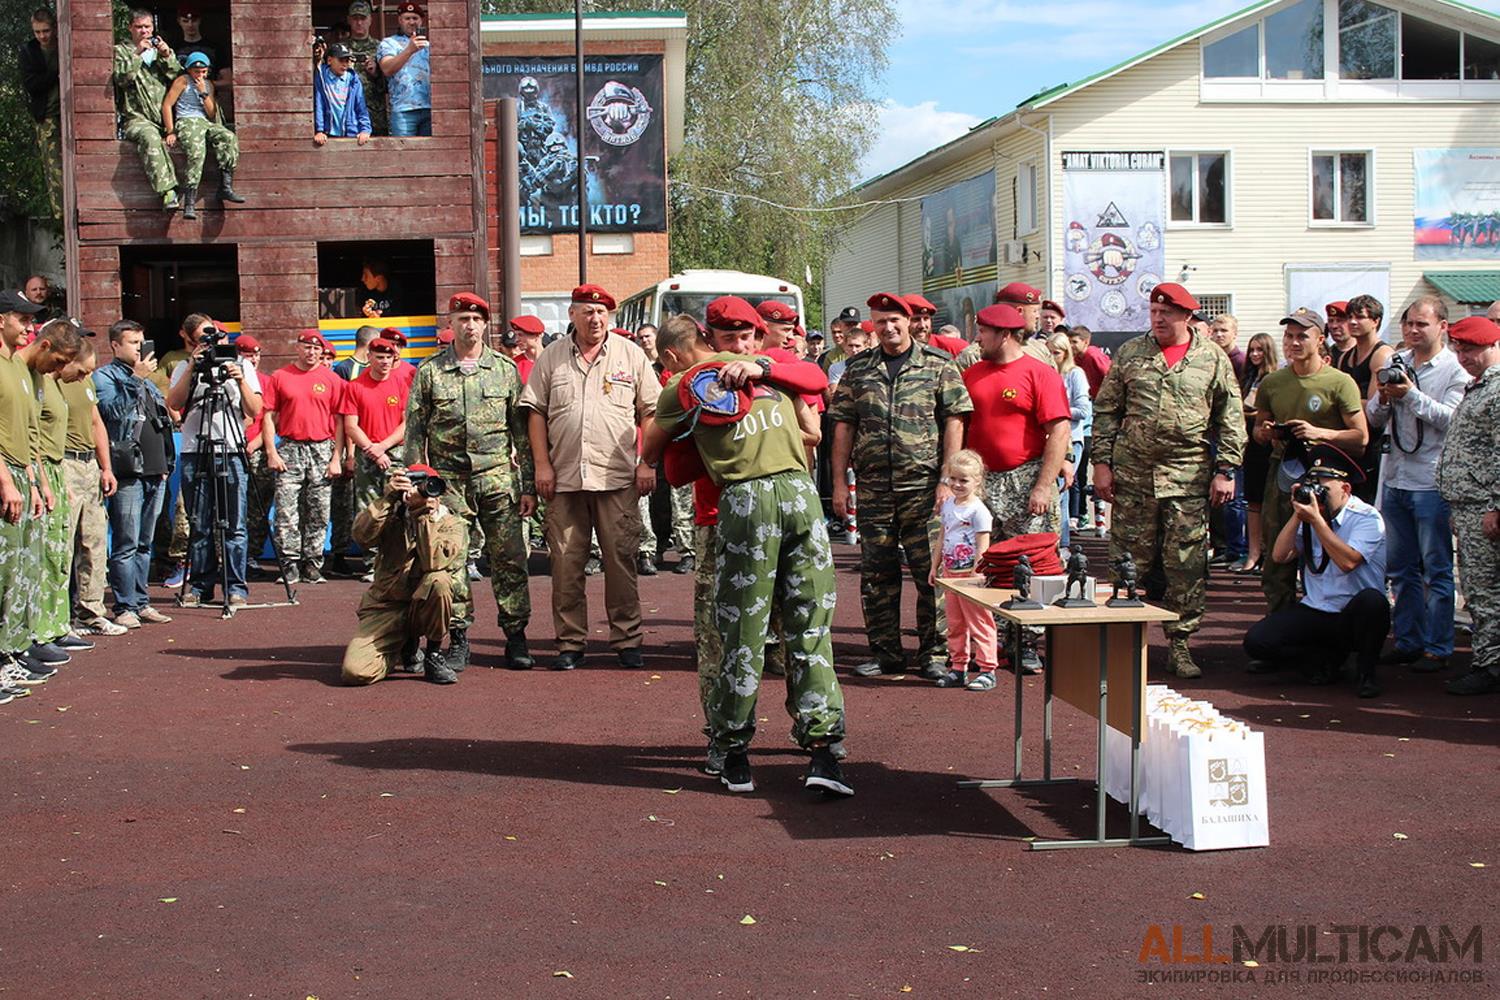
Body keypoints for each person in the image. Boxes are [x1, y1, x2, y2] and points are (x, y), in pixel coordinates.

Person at [652, 298, 851, 797]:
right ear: (709, 339)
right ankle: (734, 750)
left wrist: (761, 366)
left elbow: (815, 383)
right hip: (743, 499)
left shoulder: (780, 369)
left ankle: (824, 749)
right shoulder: (689, 386)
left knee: (811, 625)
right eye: (726, 338)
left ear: (759, 337)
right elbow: (662, 455)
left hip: (799, 494)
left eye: (746, 337)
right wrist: (693, 431)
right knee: (742, 631)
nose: (737, 345)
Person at [1091, 283, 1245, 678]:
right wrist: (1102, 464)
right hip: (1134, 477)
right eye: (1154, 312)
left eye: (1167, 314)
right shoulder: (1130, 353)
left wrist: (1226, 469)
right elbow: (1107, 411)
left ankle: (1180, 645)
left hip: (1187, 476)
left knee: (1185, 564)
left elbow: (1229, 418)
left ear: (1187, 317)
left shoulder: (1211, 357)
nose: (1158, 320)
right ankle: (1124, 644)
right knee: (1128, 563)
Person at [831, 292, 972, 680]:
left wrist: (948, 477)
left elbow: (955, 422)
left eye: (895, 320)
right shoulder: (857, 369)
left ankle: (936, 654)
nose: (889, 328)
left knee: (932, 573)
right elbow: (843, 425)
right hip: (875, 487)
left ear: (909, 321)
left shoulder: (938, 364)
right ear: (872, 327)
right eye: (881, 322)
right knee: (877, 574)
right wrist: (840, 483)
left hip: (925, 487)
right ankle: (887, 653)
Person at [522, 285, 658, 669]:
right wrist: (541, 466)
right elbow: (535, 413)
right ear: (571, 314)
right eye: (587, 312)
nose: (595, 319)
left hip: (616, 476)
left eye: (601, 312)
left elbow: (651, 412)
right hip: (563, 478)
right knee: (566, 564)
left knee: (621, 561)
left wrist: (646, 461)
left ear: (609, 317)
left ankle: (627, 639)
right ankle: (569, 642)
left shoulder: (629, 354)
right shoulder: (551, 357)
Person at [404, 293, 533, 671]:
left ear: (485, 325)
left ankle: (516, 636)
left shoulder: (504, 370)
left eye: (476, 319)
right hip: (449, 484)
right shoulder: (430, 371)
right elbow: (414, 431)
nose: (470, 325)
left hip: (497, 479)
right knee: (452, 561)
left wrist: (526, 486)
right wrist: (416, 481)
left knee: (510, 560)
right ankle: (459, 638)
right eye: (462, 319)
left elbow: (521, 434)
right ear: (451, 324)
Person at [1365, 297, 1468, 673]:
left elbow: (1452, 421)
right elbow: (1373, 419)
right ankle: (1408, 640)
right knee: (1401, 567)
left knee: (1436, 568)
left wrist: (1410, 395)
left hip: (1430, 480)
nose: (1412, 331)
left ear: (1442, 326)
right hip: (1395, 477)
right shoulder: (1398, 363)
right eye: (1408, 324)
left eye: (1421, 324)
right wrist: (1384, 395)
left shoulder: (1455, 371)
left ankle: (1438, 646)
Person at [1243, 445, 1389, 698]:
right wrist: (1297, 515)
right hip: (1318, 609)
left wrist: (1317, 522)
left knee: (1374, 602)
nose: (1318, 496)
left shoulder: (1367, 517)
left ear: (1346, 489)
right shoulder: (1311, 516)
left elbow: (1348, 562)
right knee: (1256, 642)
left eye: (1324, 489)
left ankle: (1366, 674)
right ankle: (1320, 658)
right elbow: (1279, 556)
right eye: (1313, 486)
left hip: (1353, 613)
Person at [1252, 308, 1368, 613]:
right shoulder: (1273, 383)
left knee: (1327, 552)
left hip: (1327, 475)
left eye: (1302, 335)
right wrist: (1267, 432)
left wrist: (1320, 433)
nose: (1293, 342)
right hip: (1283, 472)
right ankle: (1281, 626)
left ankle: (1333, 629)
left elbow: (1361, 437)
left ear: (1320, 339)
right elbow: (1257, 431)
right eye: (1289, 336)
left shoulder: (1339, 382)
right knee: (1277, 554)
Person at [164, 322, 263, 608]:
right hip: (196, 450)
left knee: (234, 523)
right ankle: (199, 587)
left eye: (219, 341)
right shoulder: (186, 367)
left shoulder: (243, 366)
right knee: (200, 522)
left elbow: (255, 411)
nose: (213, 348)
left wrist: (240, 378)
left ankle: (236, 588)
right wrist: (194, 369)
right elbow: (175, 402)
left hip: (231, 449)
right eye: (205, 342)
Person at [340, 466, 468, 686]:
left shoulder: (451, 523)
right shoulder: (391, 515)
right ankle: (398, 649)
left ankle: (433, 654)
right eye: (415, 484)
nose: (422, 492)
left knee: (439, 581)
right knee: (356, 672)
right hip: (387, 605)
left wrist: (422, 515)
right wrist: (387, 498)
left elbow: (433, 563)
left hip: (424, 606)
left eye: (428, 486)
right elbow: (361, 537)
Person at [93, 319, 174, 629]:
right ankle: (124, 605)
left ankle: (141, 602)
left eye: (142, 342)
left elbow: (161, 421)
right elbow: (111, 413)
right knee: (126, 542)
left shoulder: (149, 381)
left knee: (144, 543)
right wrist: (135, 380)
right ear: (115, 345)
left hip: (155, 470)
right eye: (132, 343)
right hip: (127, 472)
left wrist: (167, 463)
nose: (140, 348)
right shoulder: (105, 377)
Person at [16, 315, 86, 667]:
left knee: (56, 555)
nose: (61, 368)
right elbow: (29, 435)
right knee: (34, 560)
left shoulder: (42, 378)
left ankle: (51, 626)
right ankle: (31, 635)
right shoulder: (24, 371)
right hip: (31, 471)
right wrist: (38, 478)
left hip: (47, 472)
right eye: (61, 361)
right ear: (45, 346)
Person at [1437, 316, 1500, 695]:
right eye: (1459, 349)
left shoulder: (1495, 391)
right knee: (1480, 589)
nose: (1464, 357)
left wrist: (1495, 505)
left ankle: (1490, 665)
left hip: (1484, 506)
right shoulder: (1477, 388)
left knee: (1484, 590)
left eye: (1472, 349)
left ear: (1492, 345)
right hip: (1469, 504)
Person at [262, 331, 346, 585]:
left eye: (316, 348)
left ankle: (312, 563)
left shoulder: (332, 379)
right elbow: (268, 416)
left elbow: (341, 420)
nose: (311, 353)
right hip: (290, 447)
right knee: (286, 511)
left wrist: (336, 458)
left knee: (319, 510)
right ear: (297, 348)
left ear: (322, 352)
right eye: (306, 347)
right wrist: (271, 452)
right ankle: (289, 564)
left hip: (322, 448)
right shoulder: (280, 377)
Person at [57, 336, 126, 637]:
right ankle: (58, 620)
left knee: (95, 542)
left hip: (89, 465)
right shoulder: (52, 380)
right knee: (62, 544)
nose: (87, 376)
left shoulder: (84, 382)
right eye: (83, 370)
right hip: (65, 462)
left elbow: (97, 422)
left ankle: (91, 611)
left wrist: (106, 467)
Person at [929, 449, 996, 691]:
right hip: (950, 574)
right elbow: (942, 535)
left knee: (979, 621)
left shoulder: (978, 511)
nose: (956, 484)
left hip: (969, 575)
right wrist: (935, 566)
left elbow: (982, 544)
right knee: (955, 623)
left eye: (963, 480)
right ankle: (958, 667)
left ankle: (988, 668)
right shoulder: (948, 505)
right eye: (952, 479)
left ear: (977, 481)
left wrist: (978, 572)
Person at [114, 8, 185, 211]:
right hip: (137, 119)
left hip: (166, 117)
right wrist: (137, 54)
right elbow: (121, 79)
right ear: (130, 28)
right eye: (139, 27)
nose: (144, 32)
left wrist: (166, 54)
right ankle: (168, 191)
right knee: (150, 137)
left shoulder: (158, 49)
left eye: (147, 27)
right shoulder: (121, 51)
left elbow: (179, 79)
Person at [162, 50, 243, 220]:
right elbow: (167, 105)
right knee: (197, 151)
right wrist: (171, 131)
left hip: (204, 121)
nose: (200, 74)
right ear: (189, 70)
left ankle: (225, 186)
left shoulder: (208, 85)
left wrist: (203, 92)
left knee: (228, 138)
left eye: (204, 71)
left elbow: (212, 113)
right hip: (187, 121)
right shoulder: (182, 81)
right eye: (197, 71)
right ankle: (189, 202)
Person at [1337, 294, 1396, 500]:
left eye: (1360, 317)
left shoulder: (1382, 354)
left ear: (1375, 321)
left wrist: (1343, 405)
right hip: (1349, 439)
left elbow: (1373, 407)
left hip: (1374, 442)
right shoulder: (1346, 356)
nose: (1352, 322)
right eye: (1350, 317)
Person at [1238, 332, 1280, 574]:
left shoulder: (1273, 379)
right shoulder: (1248, 378)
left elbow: (1264, 412)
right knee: (1252, 501)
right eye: (1252, 349)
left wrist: (1252, 415)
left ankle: (1268, 552)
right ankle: (1253, 553)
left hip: (1267, 446)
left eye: (1260, 350)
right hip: (1249, 446)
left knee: (1270, 502)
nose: (1254, 354)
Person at [1047, 329, 1092, 556]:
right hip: (1049, 439)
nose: (1051, 357)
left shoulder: (1075, 374)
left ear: (1065, 354)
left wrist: (1056, 411)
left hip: (1072, 439)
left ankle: (1063, 544)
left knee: (1063, 491)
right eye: (1049, 352)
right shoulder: (1046, 374)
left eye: (1056, 353)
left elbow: (1083, 409)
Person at [19, 7, 62, 221]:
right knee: (54, 169)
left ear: (54, 28)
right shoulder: (29, 51)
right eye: (37, 32)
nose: (42, 36)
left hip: (70, 114)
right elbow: (32, 85)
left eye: (45, 31)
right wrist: (56, 73)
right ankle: (62, 217)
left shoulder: (65, 44)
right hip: (46, 115)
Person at [377, 1, 431, 137]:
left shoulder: (430, 46)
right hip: (403, 111)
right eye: (407, 18)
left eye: (415, 18)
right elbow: (387, 69)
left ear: (421, 21)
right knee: (404, 155)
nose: (411, 22)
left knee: (430, 156)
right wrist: (409, 50)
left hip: (430, 108)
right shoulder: (389, 43)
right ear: (400, 20)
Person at [314, 41, 373, 146]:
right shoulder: (322, 78)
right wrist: (319, 130)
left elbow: (361, 107)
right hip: (328, 134)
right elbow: (319, 105)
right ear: (329, 60)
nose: (345, 64)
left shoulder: (353, 80)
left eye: (347, 60)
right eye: (341, 60)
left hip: (350, 134)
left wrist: (365, 130)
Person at [344, 1, 388, 137]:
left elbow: (391, 85)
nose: (359, 23)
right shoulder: (340, 49)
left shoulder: (382, 47)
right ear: (349, 20)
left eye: (363, 18)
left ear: (370, 20)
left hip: (374, 116)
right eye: (355, 18)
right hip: (347, 115)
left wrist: (376, 74)